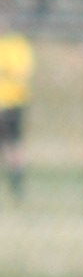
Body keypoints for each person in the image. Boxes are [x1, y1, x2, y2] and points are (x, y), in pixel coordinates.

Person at [0, 18, 30, 200]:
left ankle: (17, 179)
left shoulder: (18, 45)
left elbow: (21, 71)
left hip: (14, 102)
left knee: (15, 142)